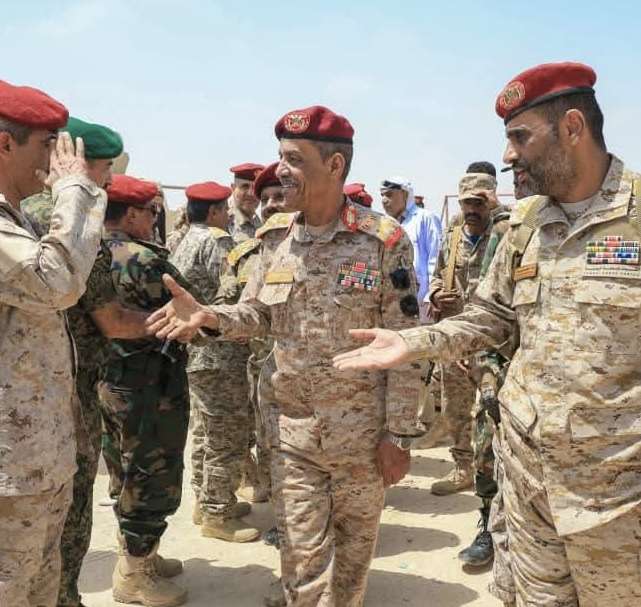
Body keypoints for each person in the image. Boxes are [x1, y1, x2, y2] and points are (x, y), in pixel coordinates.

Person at [333, 61, 641, 606]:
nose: (508, 156)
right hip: (528, 482)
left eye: (520, 137)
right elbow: (491, 315)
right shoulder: (527, 224)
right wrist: (414, 342)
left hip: (617, 499)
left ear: (572, 127)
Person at [147, 105, 424, 607]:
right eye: (280, 157)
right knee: (301, 564)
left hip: (361, 441)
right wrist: (209, 316)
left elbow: (405, 343)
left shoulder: (382, 241)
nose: (281, 170)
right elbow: (257, 313)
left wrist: (398, 435)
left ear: (335, 165)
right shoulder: (274, 238)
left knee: (351, 570)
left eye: (294, 159)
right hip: (291, 434)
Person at [20, 115, 145, 607]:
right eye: (105, 168)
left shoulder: (23, 211)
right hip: (65, 396)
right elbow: (111, 320)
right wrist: (181, 322)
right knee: (65, 523)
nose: (110, 180)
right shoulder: (72, 222)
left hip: (34, 391)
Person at [0, 81, 107, 607]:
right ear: (5, 144)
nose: (57, 161)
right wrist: (75, 191)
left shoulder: (15, 218)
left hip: (33, 462)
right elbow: (55, 283)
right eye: (48, 145)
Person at [98, 174, 189, 607]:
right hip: (152, 387)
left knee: (123, 471)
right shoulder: (146, 260)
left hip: (110, 382)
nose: (154, 220)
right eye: (150, 212)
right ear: (132, 215)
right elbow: (191, 309)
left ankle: (138, 556)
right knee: (153, 478)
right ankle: (135, 575)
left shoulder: (92, 252)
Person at [171, 181, 260, 543]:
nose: (227, 216)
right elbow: (232, 295)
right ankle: (217, 513)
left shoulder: (183, 240)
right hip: (220, 353)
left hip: (196, 353)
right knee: (227, 435)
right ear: (214, 212)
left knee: (206, 431)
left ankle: (204, 500)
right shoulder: (218, 241)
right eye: (224, 210)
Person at [427, 171, 508, 498]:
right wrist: (436, 294)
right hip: (456, 335)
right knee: (455, 408)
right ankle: (463, 467)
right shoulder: (453, 235)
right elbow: (437, 274)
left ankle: (496, 472)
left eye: (479, 203)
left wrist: (499, 210)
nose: (472, 209)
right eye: (466, 203)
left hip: (492, 340)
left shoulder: (504, 232)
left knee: (493, 407)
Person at [226, 162, 293, 542]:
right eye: (264, 198)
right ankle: (287, 523)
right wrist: (210, 318)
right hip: (267, 369)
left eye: (278, 196)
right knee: (274, 447)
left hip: (323, 381)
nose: (269, 205)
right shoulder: (257, 252)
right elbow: (245, 308)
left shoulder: (335, 246)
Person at [380, 176, 442, 321]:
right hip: (394, 304)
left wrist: (431, 295)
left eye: (389, 195)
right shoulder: (385, 224)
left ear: (404, 194)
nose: (384, 200)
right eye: (382, 195)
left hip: (423, 303)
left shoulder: (425, 218)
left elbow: (436, 258)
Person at [228, 162, 264, 243]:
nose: (251, 194)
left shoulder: (260, 223)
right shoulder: (222, 221)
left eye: (255, 188)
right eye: (245, 186)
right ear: (233, 188)